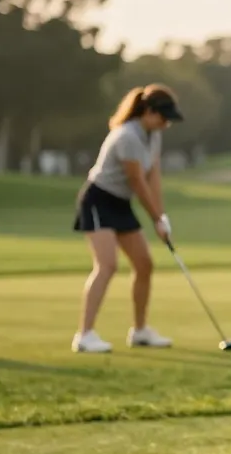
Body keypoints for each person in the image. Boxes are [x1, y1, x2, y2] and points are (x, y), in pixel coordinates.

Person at [71, 83, 183, 353]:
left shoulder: (153, 134)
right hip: (98, 200)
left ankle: (140, 331)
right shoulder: (127, 136)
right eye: (163, 116)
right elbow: (137, 182)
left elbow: (153, 177)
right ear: (148, 111)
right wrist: (155, 217)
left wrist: (162, 216)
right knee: (107, 265)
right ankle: (84, 335)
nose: (166, 123)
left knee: (144, 264)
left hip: (120, 202)